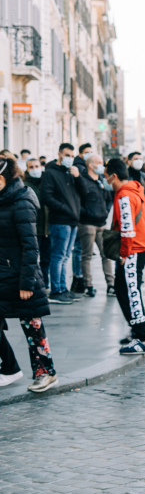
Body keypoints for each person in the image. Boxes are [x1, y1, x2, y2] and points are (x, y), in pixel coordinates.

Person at [0, 158, 57, 392]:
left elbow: (30, 247)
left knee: (32, 325)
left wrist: (27, 283)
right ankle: (10, 368)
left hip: (22, 276)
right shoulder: (4, 199)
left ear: (3, 179)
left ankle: (46, 373)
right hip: (3, 274)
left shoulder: (21, 200)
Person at [105, 159, 145, 355]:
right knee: (123, 288)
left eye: (106, 175)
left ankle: (142, 337)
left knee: (130, 291)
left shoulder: (124, 195)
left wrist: (124, 253)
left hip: (134, 249)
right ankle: (137, 331)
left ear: (114, 176)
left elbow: (127, 228)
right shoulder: (134, 189)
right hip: (138, 247)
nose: (105, 179)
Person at [41, 144, 83, 305]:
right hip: (59, 220)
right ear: (59, 154)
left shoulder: (70, 172)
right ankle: (56, 290)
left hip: (72, 219)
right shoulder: (50, 173)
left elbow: (83, 192)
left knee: (65, 256)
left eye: (71, 155)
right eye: (67, 155)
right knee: (58, 256)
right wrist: (65, 208)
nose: (69, 158)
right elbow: (46, 197)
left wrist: (78, 177)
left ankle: (63, 288)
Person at [76, 155, 114, 298]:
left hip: (102, 223)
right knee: (86, 255)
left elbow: (109, 198)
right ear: (91, 165)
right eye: (99, 163)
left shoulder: (101, 180)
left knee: (107, 254)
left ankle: (111, 284)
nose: (102, 165)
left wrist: (105, 211)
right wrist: (87, 213)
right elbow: (78, 201)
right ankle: (88, 285)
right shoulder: (82, 180)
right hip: (87, 223)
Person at [69, 144, 94, 293]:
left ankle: (81, 279)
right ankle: (79, 279)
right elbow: (81, 192)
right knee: (80, 250)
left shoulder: (88, 169)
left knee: (82, 251)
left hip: (90, 216)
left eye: (91, 152)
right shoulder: (77, 169)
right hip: (81, 216)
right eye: (87, 152)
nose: (89, 154)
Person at [23, 159, 50, 287]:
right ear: (27, 169)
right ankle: (37, 284)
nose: (35, 169)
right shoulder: (25, 185)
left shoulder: (46, 182)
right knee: (34, 259)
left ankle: (45, 282)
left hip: (47, 228)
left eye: (37, 166)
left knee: (46, 258)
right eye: (31, 167)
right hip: (34, 228)